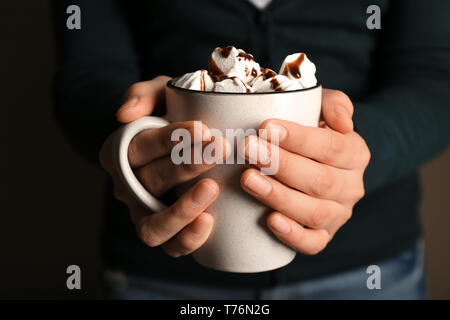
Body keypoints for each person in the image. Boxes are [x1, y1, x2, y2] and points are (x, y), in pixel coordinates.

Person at [51, 0, 450, 299]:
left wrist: (353, 147)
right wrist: (130, 137)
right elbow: (87, 74)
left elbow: (436, 76)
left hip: (369, 270)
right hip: (162, 276)